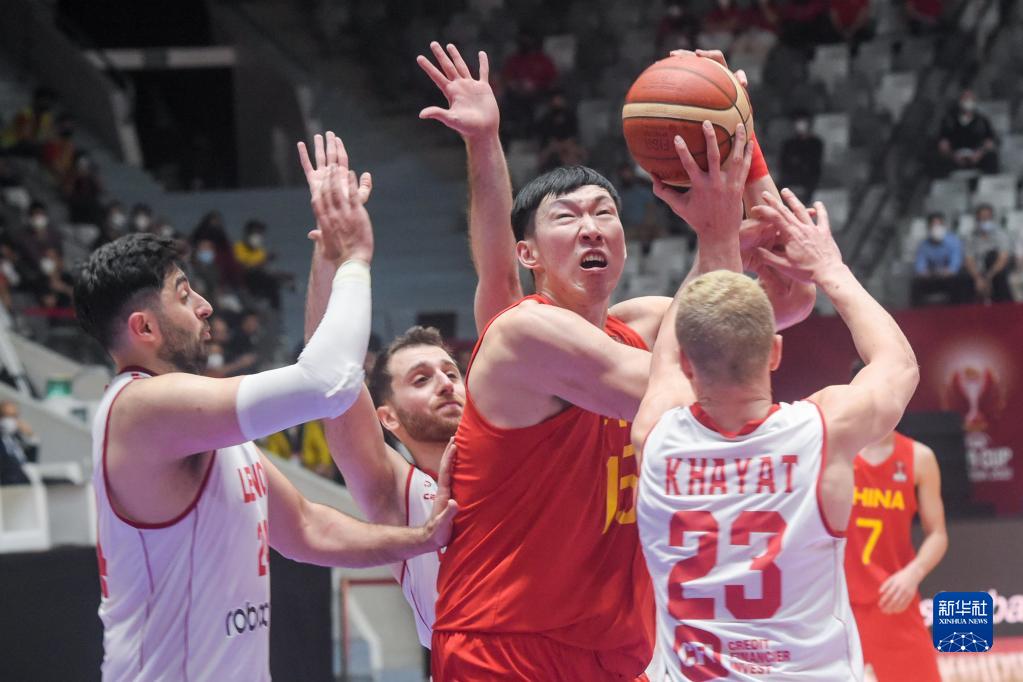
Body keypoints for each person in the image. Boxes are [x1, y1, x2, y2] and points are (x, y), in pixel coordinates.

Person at [415, 43, 816, 679]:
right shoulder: (524, 333)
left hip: (621, 649)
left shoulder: (649, 322)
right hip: (506, 645)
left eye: (605, 212)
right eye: (567, 217)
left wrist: (741, 138)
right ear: (529, 254)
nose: (591, 226)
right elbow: (677, 383)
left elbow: (793, 292)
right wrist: (716, 237)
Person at [72, 161, 457, 680]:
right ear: (144, 328)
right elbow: (327, 382)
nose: (205, 306)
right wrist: (355, 261)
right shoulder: (141, 409)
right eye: (184, 295)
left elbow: (307, 528)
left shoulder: (202, 425)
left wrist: (423, 538)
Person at [632, 189, 919, 679]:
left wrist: (715, 242)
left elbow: (666, 356)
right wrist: (830, 267)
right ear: (775, 353)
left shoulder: (655, 437)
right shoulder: (823, 430)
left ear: (688, 364)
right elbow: (900, 364)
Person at [299, 131, 466, 648]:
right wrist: (333, 255)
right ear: (387, 417)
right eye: (421, 379)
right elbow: (328, 373)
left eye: (450, 372)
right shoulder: (394, 490)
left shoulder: (515, 451)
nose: (445, 383)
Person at [844, 363, 947, 682]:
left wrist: (913, 573)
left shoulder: (919, 458)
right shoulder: (836, 450)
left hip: (893, 598)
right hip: (838, 603)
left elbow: (938, 534)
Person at [937, 90, 998, 177]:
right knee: (940, 159)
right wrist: (953, 155)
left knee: (991, 157)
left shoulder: (982, 121)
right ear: (960, 101)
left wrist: (979, 154)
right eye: (965, 99)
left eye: (971, 99)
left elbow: (989, 142)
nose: (968, 102)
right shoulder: (950, 120)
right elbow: (943, 143)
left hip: (976, 155)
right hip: (955, 156)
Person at [911, 211, 966, 305]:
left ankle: (958, 310)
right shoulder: (923, 245)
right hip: (932, 277)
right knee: (916, 283)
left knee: (960, 280)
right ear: (928, 227)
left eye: (939, 225)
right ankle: (919, 312)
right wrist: (925, 273)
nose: (937, 228)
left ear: (944, 226)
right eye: (933, 225)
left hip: (949, 277)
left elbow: (955, 264)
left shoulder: (953, 241)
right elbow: (920, 267)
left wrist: (948, 271)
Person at [964, 203, 1013, 303]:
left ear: (992, 218)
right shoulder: (970, 237)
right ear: (977, 219)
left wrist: (988, 277)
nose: (985, 220)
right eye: (982, 218)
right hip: (976, 273)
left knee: (992, 259)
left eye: (988, 218)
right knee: (962, 279)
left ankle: (1004, 307)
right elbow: (969, 260)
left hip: (994, 271)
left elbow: (1003, 259)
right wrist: (977, 278)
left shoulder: (1001, 235)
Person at [779, 112, 823, 201]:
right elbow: (784, 165)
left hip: (809, 183)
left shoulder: (816, 143)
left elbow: (815, 165)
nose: (800, 125)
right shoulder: (788, 144)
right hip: (790, 183)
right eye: (797, 122)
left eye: (803, 122)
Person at [0, 400, 40, 485]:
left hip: (25, 480)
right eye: (5, 415)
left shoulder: (17, 437)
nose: (10, 420)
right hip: (10, 482)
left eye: (14, 416)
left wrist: (31, 436)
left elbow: (31, 462)